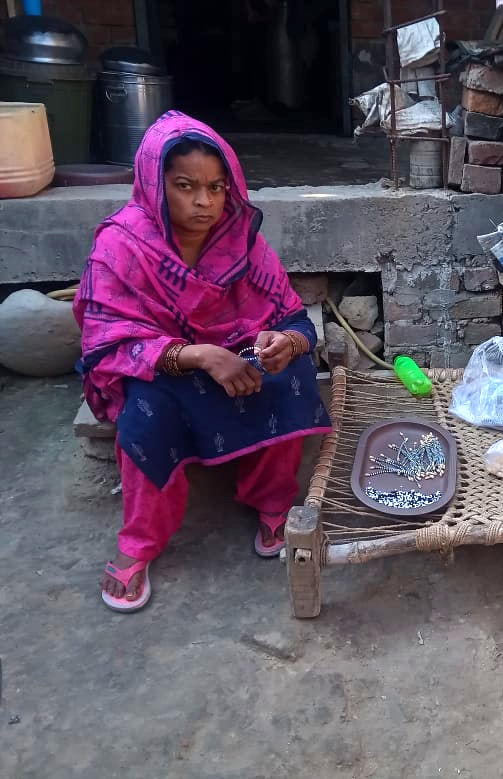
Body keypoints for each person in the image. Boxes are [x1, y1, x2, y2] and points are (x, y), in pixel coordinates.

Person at [74, 111, 332, 613]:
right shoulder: (120, 247)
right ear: (154, 185)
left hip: (239, 357)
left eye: (216, 187)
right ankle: (140, 541)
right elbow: (105, 345)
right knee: (146, 412)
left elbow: (296, 320)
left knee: (293, 376)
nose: (204, 202)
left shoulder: (242, 241)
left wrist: (285, 342)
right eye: (185, 186)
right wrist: (199, 355)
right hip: (163, 369)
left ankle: (272, 501)